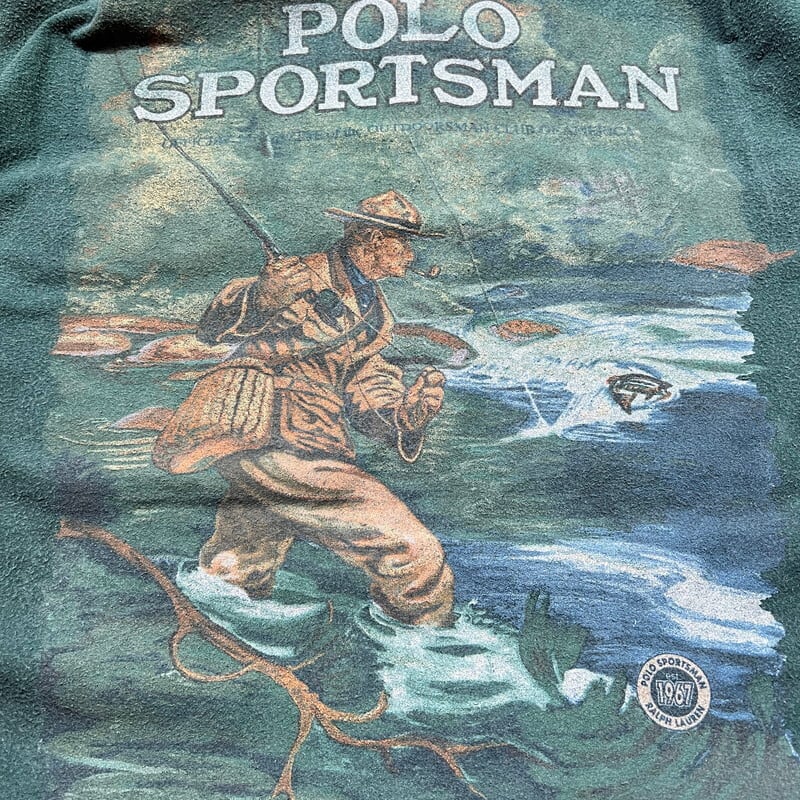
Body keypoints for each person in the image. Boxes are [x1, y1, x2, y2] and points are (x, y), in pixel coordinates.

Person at [153, 190, 455, 627]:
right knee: (412, 553)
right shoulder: (297, 274)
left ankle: (219, 630)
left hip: (308, 441)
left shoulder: (377, 314)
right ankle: (428, 649)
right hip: (266, 430)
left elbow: (366, 385)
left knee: (240, 563)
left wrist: (405, 416)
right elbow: (214, 328)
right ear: (373, 239)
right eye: (403, 243)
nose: (411, 255)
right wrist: (263, 296)